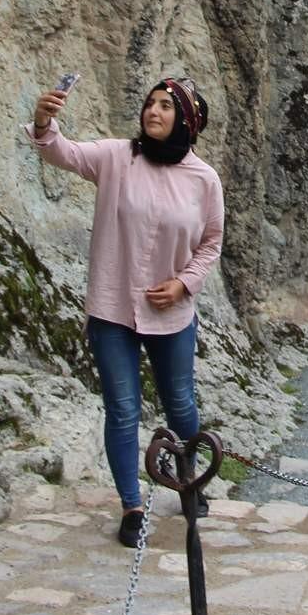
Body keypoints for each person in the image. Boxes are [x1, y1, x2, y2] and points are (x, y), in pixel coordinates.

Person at [28, 76, 224, 547]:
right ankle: (132, 507)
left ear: (187, 120)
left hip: (171, 315)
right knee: (122, 410)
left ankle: (188, 479)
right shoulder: (117, 157)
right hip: (112, 308)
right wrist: (44, 122)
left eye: (166, 106)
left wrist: (183, 283)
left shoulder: (204, 180)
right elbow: (63, 153)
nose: (153, 111)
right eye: (150, 103)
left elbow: (211, 242)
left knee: (181, 404)